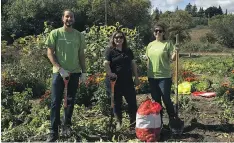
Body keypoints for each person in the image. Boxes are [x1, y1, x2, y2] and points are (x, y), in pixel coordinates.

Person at [45, 9, 87, 142]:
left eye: (71, 17)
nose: (69, 19)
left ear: (73, 19)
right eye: (67, 17)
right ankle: (53, 130)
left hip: (74, 72)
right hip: (59, 73)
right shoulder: (55, 33)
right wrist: (59, 68)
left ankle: (66, 126)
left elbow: (81, 55)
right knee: (55, 102)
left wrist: (84, 71)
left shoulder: (78, 35)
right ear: (63, 18)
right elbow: (50, 53)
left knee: (70, 101)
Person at [145, 24, 182, 131]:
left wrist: (176, 51)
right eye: (156, 31)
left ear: (163, 33)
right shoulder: (150, 45)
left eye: (160, 31)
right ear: (153, 33)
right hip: (152, 76)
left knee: (166, 98)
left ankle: (172, 118)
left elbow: (173, 59)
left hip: (164, 76)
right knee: (156, 100)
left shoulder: (168, 43)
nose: (158, 33)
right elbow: (148, 59)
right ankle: (159, 121)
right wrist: (147, 72)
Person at [104, 31, 140, 130]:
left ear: (123, 39)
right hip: (115, 82)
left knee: (132, 102)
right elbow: (106, 64)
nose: (118, 39)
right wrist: (110, 73)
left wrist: (136, 77)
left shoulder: (128, 50)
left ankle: (133, 123)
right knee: (117, 102)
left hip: (127, 81)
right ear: (113, 39)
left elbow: (133, 64)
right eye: (116, 37)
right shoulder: (110, 51)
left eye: (120, 37)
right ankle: (118, 123)